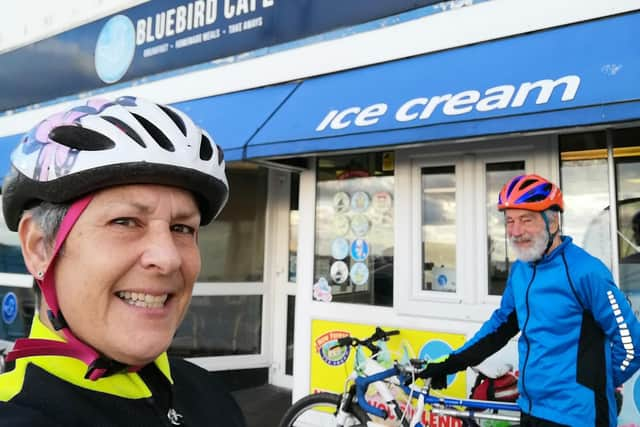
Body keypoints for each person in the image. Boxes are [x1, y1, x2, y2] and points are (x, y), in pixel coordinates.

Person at [0, 96, 246, 426]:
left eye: (181, 228)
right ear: (39, 247)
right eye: (125, 222)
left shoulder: (209, 395)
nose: (168, 257)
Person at [417, 174, 640, 427]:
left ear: (553, 221)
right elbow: (502, 326)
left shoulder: (586, 271)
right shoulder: (521, 270)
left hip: (579, 416)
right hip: (532, 408)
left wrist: (595, 383)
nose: (515, 231)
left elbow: (632, 343)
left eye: (526, 219)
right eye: (510, 221)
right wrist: (453, 362)